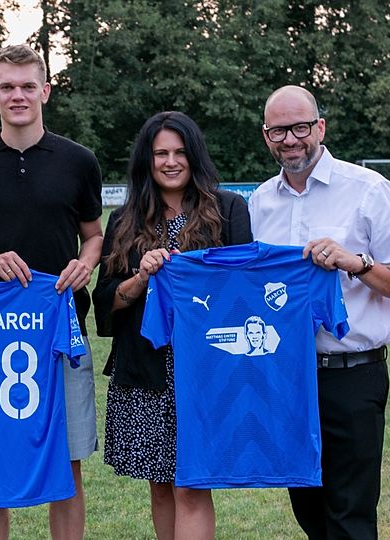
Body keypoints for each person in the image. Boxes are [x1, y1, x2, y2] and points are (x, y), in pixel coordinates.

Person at [0, 44, 102, 540]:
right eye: (7, 86)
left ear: (45, 91)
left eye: (29, 85)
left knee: (67, 461)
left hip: (59, 327)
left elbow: (95, 234)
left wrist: (85, 262)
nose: (18, 95)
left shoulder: (78, 160)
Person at [248, 85, 390, 539]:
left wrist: (356, 262)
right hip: (287, 376)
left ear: (320, 127)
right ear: (266, 135)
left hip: (352, 375)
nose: (290, 140)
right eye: (278, 131)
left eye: (300, 128)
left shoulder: (367, 188)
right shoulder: (259, 202)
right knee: (308, 509)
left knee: (351, 513)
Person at [93, 111, 252, 540]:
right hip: (146, 370)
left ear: (194, 156)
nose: (170, 161)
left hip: (207, 370)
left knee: (192, 486)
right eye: (160, 152)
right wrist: (142, 278)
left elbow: (244, 291)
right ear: (147, 159)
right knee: (162, 488)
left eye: (180, 152)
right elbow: (105, 304)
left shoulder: (229, 209)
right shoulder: (125, 219)